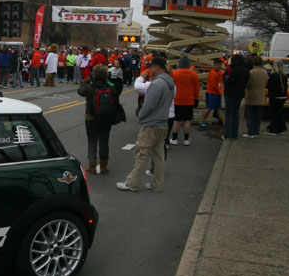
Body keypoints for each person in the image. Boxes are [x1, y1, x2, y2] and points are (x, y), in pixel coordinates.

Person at [118, 57, 174, 192]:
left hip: (151, 124)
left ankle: (132, 183)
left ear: (158, 67)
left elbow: (149, 104)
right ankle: (157, 184)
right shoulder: (169, 82)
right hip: (163, 122)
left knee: (141, 154)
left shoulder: (157, 84)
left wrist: (141, 116)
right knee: (159, 156)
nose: (149, 69)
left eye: (151, 66)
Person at [78, 64, 119, 175]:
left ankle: (92, 166)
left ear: (94, 74)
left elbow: (80, 90)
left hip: (90, 116)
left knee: (92, 140)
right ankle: (104, 166)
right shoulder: (110, 86)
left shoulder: (90, 87)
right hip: (106, 117)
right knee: (104, 140)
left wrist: (88, 79)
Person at [170, 55, 200, 146]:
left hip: (177, 100)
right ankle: (186, 139)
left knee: (177, 120)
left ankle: (174, 139)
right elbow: (196, 88)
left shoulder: (174, 73)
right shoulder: (193, 74)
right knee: (187, 120)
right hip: (189, 100)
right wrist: (196, 99)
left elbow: (171, 87)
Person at [223, 54, 249, 140]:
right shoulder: (245, 70)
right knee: (235, 115)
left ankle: (228, 134)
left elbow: (230, 81)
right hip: (240, 94)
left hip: (230, 94)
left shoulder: (234, 70)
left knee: (229, 114)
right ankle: (234, 134)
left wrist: (225, 79)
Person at [244, 55, 268, 137]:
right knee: (257, 116)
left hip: (251, 95)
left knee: (250, 115)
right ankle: (256, 132)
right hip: (261, 95)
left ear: (253, 63)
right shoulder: (265, 72)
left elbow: (248, 84)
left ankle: (250, 132)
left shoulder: (252, 72)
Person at [200, 59, 226, 127]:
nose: (218, 66)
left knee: (217, 108)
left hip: (216, 93)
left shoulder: (219, 72)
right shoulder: (213, 73)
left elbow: (219, 82)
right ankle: (202, 121)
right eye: (217, 65)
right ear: (214, 65)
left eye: (220, 64)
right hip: (212, 93)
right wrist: (220, 91)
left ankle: (225, 122)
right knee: (210, 107)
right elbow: (214, 85)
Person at [265, 59, 289, 135]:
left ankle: (274, 129)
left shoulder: (273, 75)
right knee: (279, 112)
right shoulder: (284, 75)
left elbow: (268, 86)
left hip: (275, 96)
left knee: (273, 113)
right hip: (283, 96)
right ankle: (281, 128)